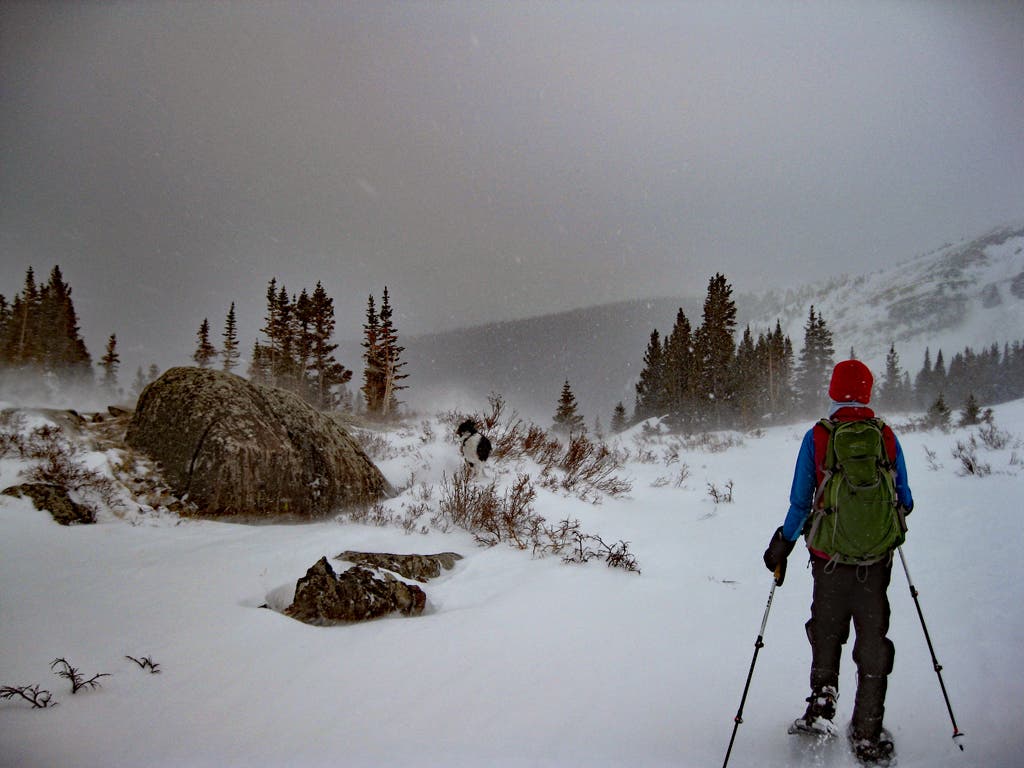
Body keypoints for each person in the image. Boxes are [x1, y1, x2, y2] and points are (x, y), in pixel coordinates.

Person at [762, 359, 914, 765]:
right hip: (876, 563)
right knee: (872, 640)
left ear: (832, 391)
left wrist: (783, 544)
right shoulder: (885, 437)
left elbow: (800, 501)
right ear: (867, 392)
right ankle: (867, 730)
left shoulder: (818, 437)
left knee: (827, 631)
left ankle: (822, 705)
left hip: (829, 561)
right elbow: (906, 499)